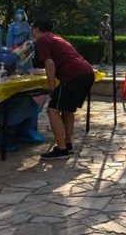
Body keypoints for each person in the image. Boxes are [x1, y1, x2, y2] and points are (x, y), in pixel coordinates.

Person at [31, 17, 96, 160]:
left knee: (53, 110)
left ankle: (61, 149)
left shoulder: (42, 41)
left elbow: (49, 63)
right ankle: (68, 144)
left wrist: (52, 87)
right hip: (87, 73)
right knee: (67, 109)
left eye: (32, 30)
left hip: (73, 75)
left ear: (36, 29)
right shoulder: (57, 39)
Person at [0, 43, 44, 151]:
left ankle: (23, 132)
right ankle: (1, 139)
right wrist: (19, 52)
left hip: (4, 92)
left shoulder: (9, 56)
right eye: (22, 52)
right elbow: (6, 61)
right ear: (15, 46)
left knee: (29, 101)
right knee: (13, 105)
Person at [6, 8, 33, 73]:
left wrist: (31, 46)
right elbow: (9, 38)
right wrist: (9, 49)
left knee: (27, 62)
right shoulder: (13, 25)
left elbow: (30, 37)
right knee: (17, 61)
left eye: (22, 13)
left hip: (26, 46)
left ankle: (27, 74)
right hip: (16, 46)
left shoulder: (26, 25)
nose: (20, 15)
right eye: (19, 14)